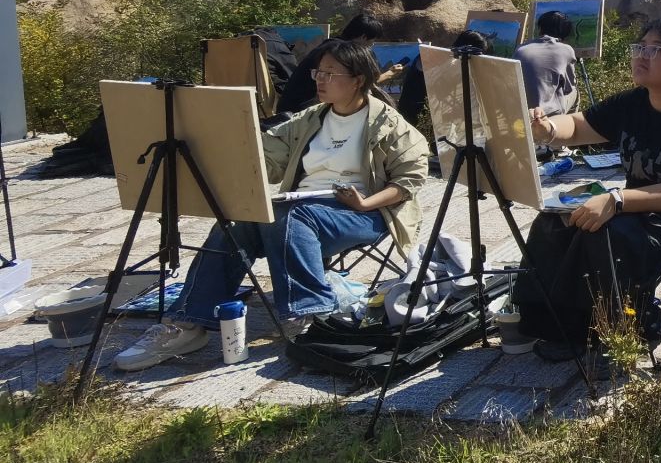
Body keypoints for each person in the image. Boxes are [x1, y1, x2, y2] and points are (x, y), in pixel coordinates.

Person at [114, 38, 431, 370]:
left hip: (363, 212)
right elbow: (263, 156)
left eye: (330, 74)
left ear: (358, 80)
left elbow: (409, 180)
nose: (320, 80)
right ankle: (187, 322)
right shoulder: (309, 119)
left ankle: (310, 315)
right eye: (318, 72)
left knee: (289, 217)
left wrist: (365, 203)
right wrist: (226, 142)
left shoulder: (388, 124)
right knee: (237, 223)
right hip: (297, 209)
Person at [525, 14, 661, 358]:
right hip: (642, 205)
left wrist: (615, 200)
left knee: (608, 235)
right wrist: (549, 130)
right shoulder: (636, 102)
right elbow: (581, 125)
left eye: (656, 49)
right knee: (555, 222)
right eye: (640, 47)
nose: (641, 55)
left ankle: (635, 330)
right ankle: (561, 326)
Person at [275, 13, 384, 115]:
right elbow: (356, 84)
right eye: (371, 42)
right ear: (363, 37)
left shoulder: (330, 47)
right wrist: (389, 74)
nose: (370, 46)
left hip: (289, 107)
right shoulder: (341, 54)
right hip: (298, 112)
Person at [517, 10, 582, 118]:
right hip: (546, 113)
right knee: (575, 92)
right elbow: (568, 87)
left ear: (540, 28)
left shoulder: (520, 48)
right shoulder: (566, 50)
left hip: (522, 111)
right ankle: (567, 124)